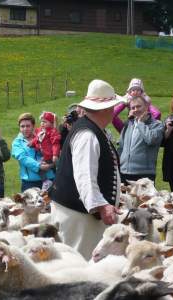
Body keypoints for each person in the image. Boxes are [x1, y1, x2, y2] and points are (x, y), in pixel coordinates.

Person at [50, 79, 123, 259]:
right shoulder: (87, 134)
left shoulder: (94, 130)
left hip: (81, 215)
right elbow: (84, 175)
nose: (114, 111)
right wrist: (101, 205)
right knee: (78, 262)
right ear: (106, 109)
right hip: (78, 217)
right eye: (112, 107)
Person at [118, 95, 164, 183]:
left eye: (138, 106)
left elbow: (151, 140)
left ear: (146, 106)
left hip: (144, 174)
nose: (136, 109)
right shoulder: (128, 124)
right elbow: (121, 146)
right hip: (124, 172)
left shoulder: (157, 125)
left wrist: (140, 123)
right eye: (133, 107)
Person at [12, 113, 55, 192]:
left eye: (28, 126)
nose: (25, 129)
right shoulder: (17, 142)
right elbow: (23, 158)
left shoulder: (43, 136)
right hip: (29, 183)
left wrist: (52, 163)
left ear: (33, 126)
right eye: (22, 126)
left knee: (51, 204)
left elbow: (54, 150)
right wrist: (39, 166)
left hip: (50, 178)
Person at [29, 111, 61, 190]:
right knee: (40, 166)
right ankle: (49, 182)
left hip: (51, 155)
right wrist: (31, 143)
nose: (42, 123)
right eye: (41, 121)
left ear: (51, 123)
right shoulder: (41, 131)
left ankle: (51, 181)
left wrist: (55, 155)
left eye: (45, 122)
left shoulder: (52, 132)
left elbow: (55, 144)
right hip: (45, 155)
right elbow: (36, 139)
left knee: (54, 168)